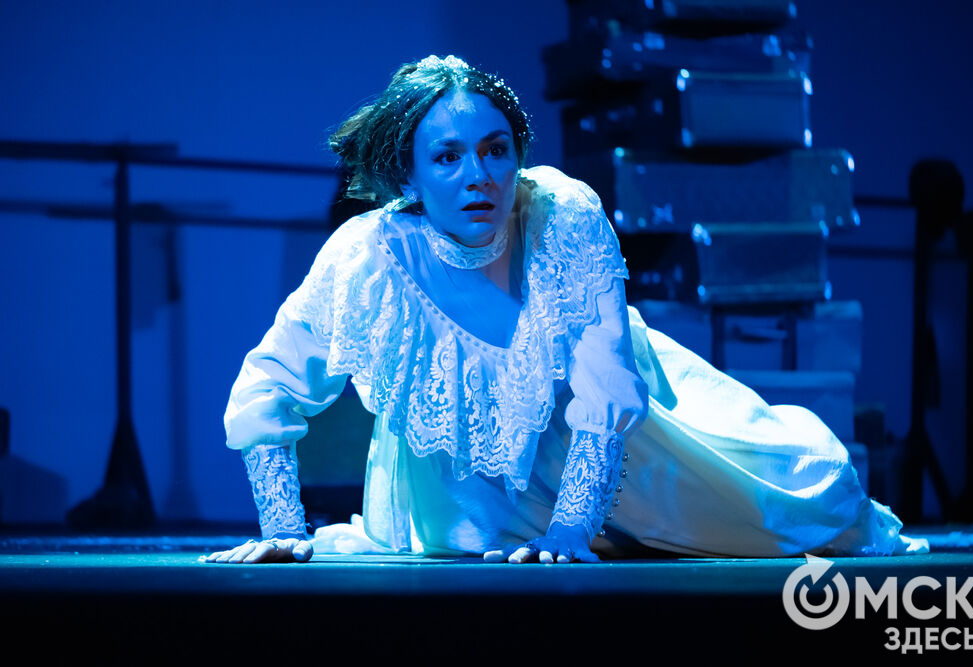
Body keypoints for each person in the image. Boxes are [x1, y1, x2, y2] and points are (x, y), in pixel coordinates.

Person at [205, 55, 928, 565]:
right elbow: (270, 382)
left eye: (495, 150)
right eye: (448, 157)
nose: (480, 176)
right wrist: (283, 528)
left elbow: (608, 386)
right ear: (410, 177)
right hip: (452, 513)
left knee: (808, 501)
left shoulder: (562, 213)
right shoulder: (365, 256)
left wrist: (571, 529)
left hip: (635, 458)